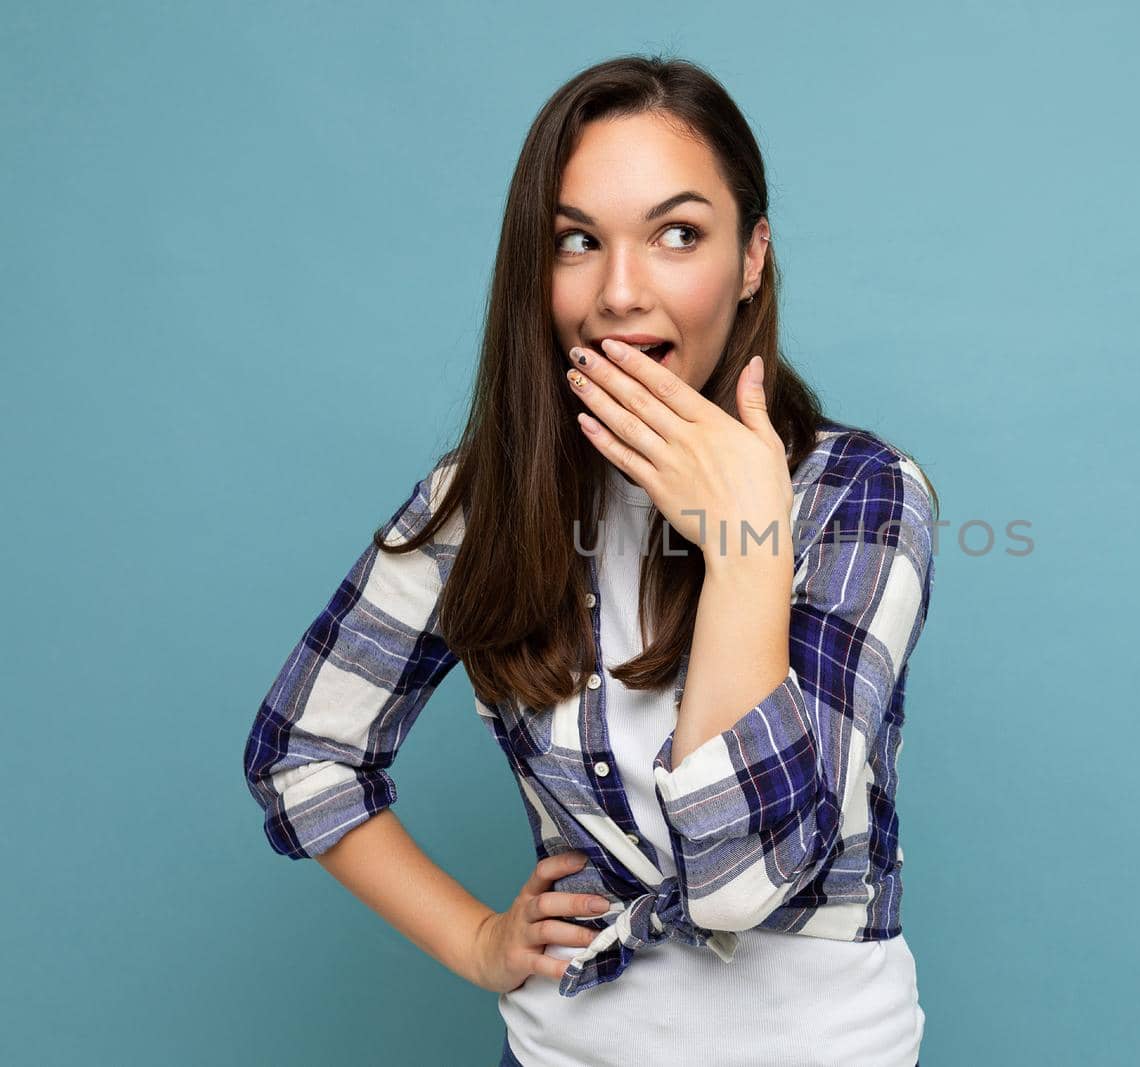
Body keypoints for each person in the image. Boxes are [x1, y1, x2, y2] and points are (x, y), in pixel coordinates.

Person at [242, 54, 938, 1067]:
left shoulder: (859, 495)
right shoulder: (479, 504)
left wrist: (745, 538)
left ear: (751, 259)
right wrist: (478, 939)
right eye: (576, 241)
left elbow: (742, 880)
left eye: (677, 234)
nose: (619, 291)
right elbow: (303, 751)